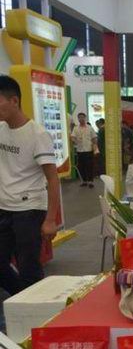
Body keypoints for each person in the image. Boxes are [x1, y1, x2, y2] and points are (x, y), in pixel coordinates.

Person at [0, 75, 61, 295]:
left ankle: (34, 308)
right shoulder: (1, 129)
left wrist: (50, 220)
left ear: (14, 101)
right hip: (4, 208)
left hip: (30, 210)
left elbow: (52, 178)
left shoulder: (38, 135)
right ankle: (21, 299)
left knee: (29, 268)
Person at [71, 112, 98, 188]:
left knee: (89, 166)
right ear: (78, 119)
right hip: (80, 150)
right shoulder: (76, 128)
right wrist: (74, 141)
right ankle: (84, 181)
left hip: (88, 149)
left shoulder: (89, 128)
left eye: (82, 117)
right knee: (81, 166)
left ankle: (91, 181)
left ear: (85, 118)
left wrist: (96, 149)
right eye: (79, 117)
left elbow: (94, 138)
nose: (81, 119)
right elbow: (72, 137)